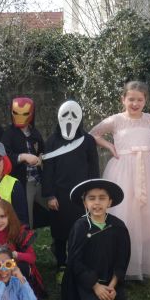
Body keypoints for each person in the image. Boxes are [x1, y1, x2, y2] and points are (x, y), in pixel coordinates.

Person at [90, 81, 150, 279]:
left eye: (139, 99)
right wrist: (110, 147)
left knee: (148, 215)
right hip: (123, 169)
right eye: (131, 99)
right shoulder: (116, 120)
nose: (135, 103)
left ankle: (146, 261)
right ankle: (123, 263)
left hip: (147, 168)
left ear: (145, 100)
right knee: (124, 212)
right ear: (123, 99)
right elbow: (94, 133)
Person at [42, 100, 99, 278]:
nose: (69, 119)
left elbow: (93, 168)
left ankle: (80, 263)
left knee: (83, 230)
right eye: (65, 115)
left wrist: (92, 194)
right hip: (59, 195)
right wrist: (50, 195)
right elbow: (48, 170)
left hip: (82, 195)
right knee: (60, 233)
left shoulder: (88, 140)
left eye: (74, 115)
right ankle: (61, 264)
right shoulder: (51, 141)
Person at [64, 179, 131, 300]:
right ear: (84, 203)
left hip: (110, 280)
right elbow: (75, 261)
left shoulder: (118, 226)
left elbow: (122, 259)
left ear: (110, 202)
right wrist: (95, 286)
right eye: (91, 198)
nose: (97, 203)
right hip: (88, 282)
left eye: (102, 198)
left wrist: (112, 286)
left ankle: (108, 294)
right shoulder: (80, 227)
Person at [0, 198, 45, 298]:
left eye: (2, 216)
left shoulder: (19, 231)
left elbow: (32, 258)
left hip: (15, 266)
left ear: (10, 217)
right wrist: (1, 261)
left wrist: (15, 254)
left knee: (23, 267)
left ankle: (19, 294)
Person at [2, 96, 50, 228]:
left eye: (25, 114)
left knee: (55, 206)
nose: (20, 117)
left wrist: (41, 158)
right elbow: (5, 157)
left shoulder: (34, 132)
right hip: (24, 183)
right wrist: (22, 157)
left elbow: (42, 151)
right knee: (26, 219)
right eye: (16, 113)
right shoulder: (8, 134)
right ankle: (26, 246)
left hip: (39, 181)